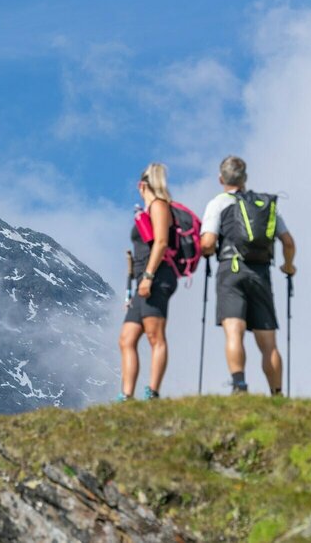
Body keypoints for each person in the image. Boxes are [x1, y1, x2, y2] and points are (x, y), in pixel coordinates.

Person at [200, 156, 297, 395]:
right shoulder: (264, 205)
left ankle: (239, 385)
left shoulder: (218, 203)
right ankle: (276, 393)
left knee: (234, 331)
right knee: (268, 343)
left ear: (221, 178)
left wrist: (206, 250)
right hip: (261, 273)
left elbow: (208, 242)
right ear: (245, 179)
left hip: (231, 271)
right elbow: (288, 241)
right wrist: (288, 265)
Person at [118, 163, 178, 401]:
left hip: (156, 278)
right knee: (126, 338)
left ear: (142, 185)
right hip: (142, 279)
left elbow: (161, 242)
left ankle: (152, 392)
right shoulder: (149, 209)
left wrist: (149, 276)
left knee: (155, 336)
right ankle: (126, 395)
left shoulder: (160, 206)